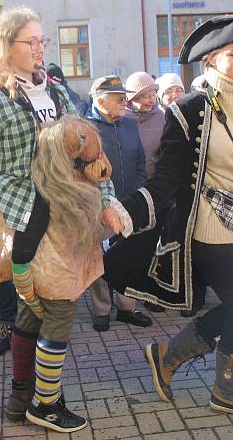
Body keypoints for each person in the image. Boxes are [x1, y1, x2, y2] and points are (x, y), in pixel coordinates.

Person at [112, 16, 233, 418]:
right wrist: (126, 211)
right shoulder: (189, 109)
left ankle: (166, 355)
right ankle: (227, 390)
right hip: (207, 223)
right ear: (212, 59)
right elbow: (167, 176)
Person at [0, 6, 120, 433]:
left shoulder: (56, 93)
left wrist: (108, 200)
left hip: (68, 216)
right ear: (6, 47)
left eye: (43, 41)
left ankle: (20, 399)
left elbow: (90, 151)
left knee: (33, 314)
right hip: (26, 219)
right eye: (30, 42)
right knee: (59, 308)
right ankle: (46, 403)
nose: (39, 49)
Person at [86, 75, 151, 331]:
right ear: (101, 101)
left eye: (125, 98)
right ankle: (102, 310)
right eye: (119, 99)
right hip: (97, 207)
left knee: (128, 256)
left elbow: (140, 163)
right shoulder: (86, 129)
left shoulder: (128, 125)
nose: (126, 103)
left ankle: (127, 307)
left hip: (128, 203)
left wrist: (138, 194)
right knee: (99, 258)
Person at [124, 71, 163, 178]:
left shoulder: (161, 117)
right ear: (132, 98)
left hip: (154, 182)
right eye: (146, 96)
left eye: (154, 95)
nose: (152, 100)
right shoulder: (121, 118)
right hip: (128, 183)